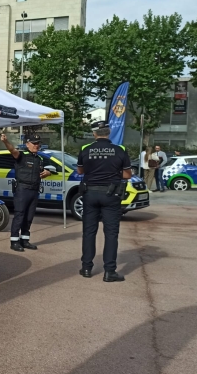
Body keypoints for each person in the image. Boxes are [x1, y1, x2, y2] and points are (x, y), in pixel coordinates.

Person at [77, 120, 133, 282]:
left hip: (90, 194)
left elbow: (80, 171)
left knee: (89, 232)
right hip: (111, 195)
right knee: (111, 234)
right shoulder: (120, 150)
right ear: (109, 133)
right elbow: (127, 175)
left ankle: (86, 268)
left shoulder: (85, 149)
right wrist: (113, 174)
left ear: (94, 134)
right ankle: (110, 272)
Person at [0, 133, 51, 252]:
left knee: (29, 217)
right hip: (22, 190)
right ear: (27, 144)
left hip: (34, 190)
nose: (37, 145)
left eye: (38, 143)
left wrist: (48, 173)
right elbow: (12, 150)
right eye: (34, 143)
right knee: (19, 215)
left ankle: (25, 240)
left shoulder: (40, 159)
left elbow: (43, 172)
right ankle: (14, 241)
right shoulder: (22, 155)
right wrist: (5, 141)